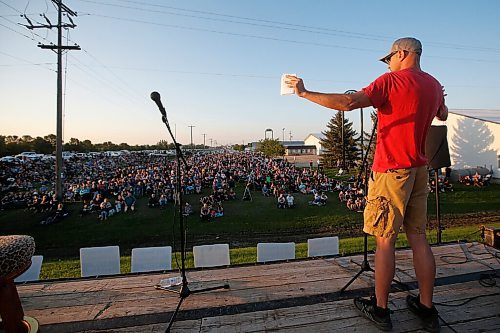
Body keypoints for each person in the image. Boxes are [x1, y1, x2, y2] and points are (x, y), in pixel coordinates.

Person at [287, 37, 448, 332]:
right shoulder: (434, 84)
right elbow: (443, 114)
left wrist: (304, 93)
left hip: (391, 171)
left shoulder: (391, 81)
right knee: (418, 238)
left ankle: (381, 309)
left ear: (401, 53)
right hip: (419, 169)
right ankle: (426, 306)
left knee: (385, 239)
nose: (389, 64)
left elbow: (348, 102)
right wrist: (440, 98)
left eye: (389, 58)